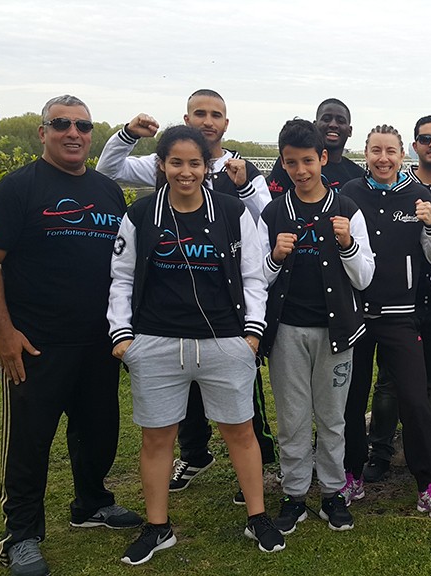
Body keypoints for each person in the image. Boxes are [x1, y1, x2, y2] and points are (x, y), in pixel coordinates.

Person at [0, 94, 141, 576]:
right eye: (61, 124)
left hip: (98, 341)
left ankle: (91, 503)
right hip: (36, 343)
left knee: (98, 432)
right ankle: (21, 535)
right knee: (29, 444)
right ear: (42, 132)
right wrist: (4, 335)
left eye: (83, 126)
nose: (74, 133)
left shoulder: (108, 191)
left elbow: (124, 267)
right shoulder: (17, 188)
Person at [108, 126, 284, 564]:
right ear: (162, 165)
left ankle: (257, 516)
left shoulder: (231, 210)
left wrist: (252, 333)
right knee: (157, 437)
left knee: (240, 432)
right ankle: (158, 527)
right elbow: (122, 277)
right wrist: (123, 336)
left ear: (208, 166)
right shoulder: (141, 214)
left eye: (195, 163)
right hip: (157, 339)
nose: (185, 172)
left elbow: (252, 275)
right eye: (176, 163)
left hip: (224, 339)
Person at [259, 119, 374, 533]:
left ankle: (331, 492)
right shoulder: (273, 212)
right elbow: (256, 278)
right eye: (291, 163)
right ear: (283, 164)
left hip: (336, 332)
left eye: (308, 160)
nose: (301, 170)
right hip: (288, 330)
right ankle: (293, 495)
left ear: (323, 158)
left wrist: (348, 245)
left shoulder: (346, 209)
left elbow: (365, 277)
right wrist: (274, 256)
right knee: (291, 417)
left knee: (332, 417)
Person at [339, 125, 431, 518]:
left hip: (401, 316)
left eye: (390, 151)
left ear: (402, 154)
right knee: (352, 401)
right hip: (356, 314)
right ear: (366, 153)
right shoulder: (349, 194)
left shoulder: (419, 196)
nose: (383, 158)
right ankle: (350, 473)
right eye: (376, 150)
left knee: (415, 400)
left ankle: (426, 486)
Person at [362, 115, 431, 482]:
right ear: (416, 147)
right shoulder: (375, 192)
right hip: (393, 305)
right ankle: (381, 450)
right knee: (387, 384)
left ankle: (427, 448)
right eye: (425, 138)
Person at [266, 98, 363, 194]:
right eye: (326, 119)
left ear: (350, 131)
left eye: (341, 121)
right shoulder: (291, 165)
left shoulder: (358, 175)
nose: (333, 125)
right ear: (315, 125)